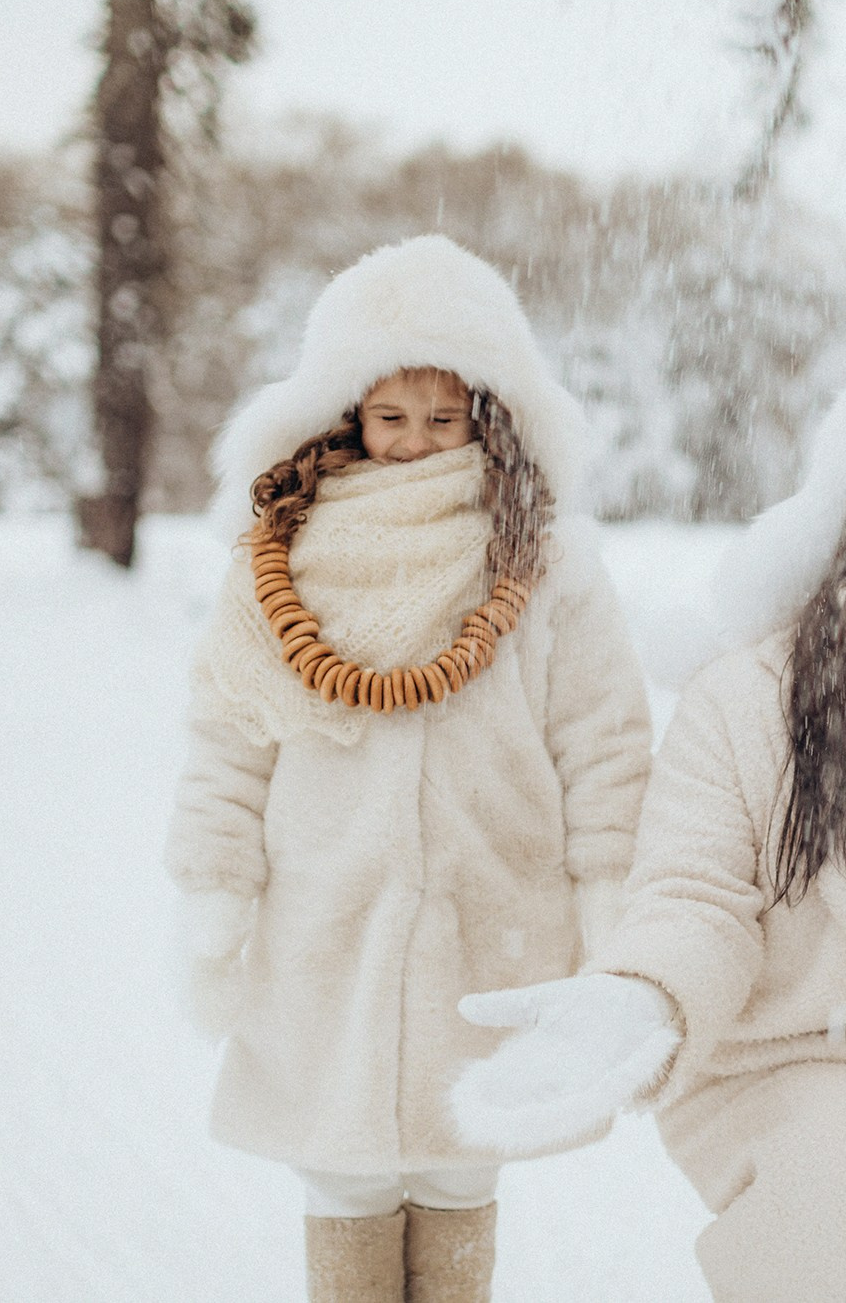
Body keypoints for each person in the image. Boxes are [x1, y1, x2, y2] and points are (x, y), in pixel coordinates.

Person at [449, 354, 846, 1302]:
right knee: (840, 1217)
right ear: (841, 516)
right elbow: (693, 890)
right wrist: (640, 994)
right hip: (771, 1060)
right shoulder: (738, 696)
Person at [163, 235, 652, 1301]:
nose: (418, 443)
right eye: (391, 418)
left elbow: (605, 739)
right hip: (322, 918)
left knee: (457, 1160)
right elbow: (228, 736)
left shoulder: (544, 560)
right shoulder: (277, 561)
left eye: (444, 419)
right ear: (344, 415)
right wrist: (214, 881)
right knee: (339, 1170)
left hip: (494, 916)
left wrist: (610, 898)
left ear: (488, 412)